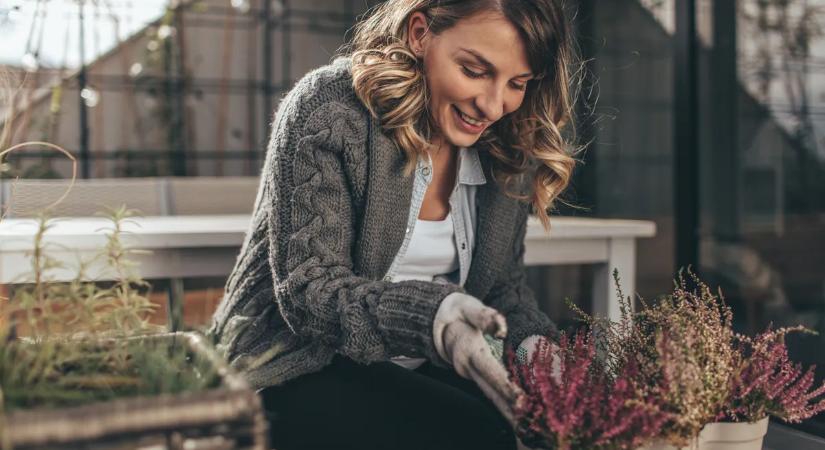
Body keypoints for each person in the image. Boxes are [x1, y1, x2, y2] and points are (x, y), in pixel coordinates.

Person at [209, 0, 580, 449]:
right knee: (480, 435)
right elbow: (310, 292)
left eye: (517, 83)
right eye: (475, 70)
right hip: (293, 362)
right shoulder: (331, 110)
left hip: (419, 365)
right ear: (420, 33)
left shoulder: (507, 145)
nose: (493, 104)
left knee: (546, 431)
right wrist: (434, 319)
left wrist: (535, 350)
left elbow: (503, 288)